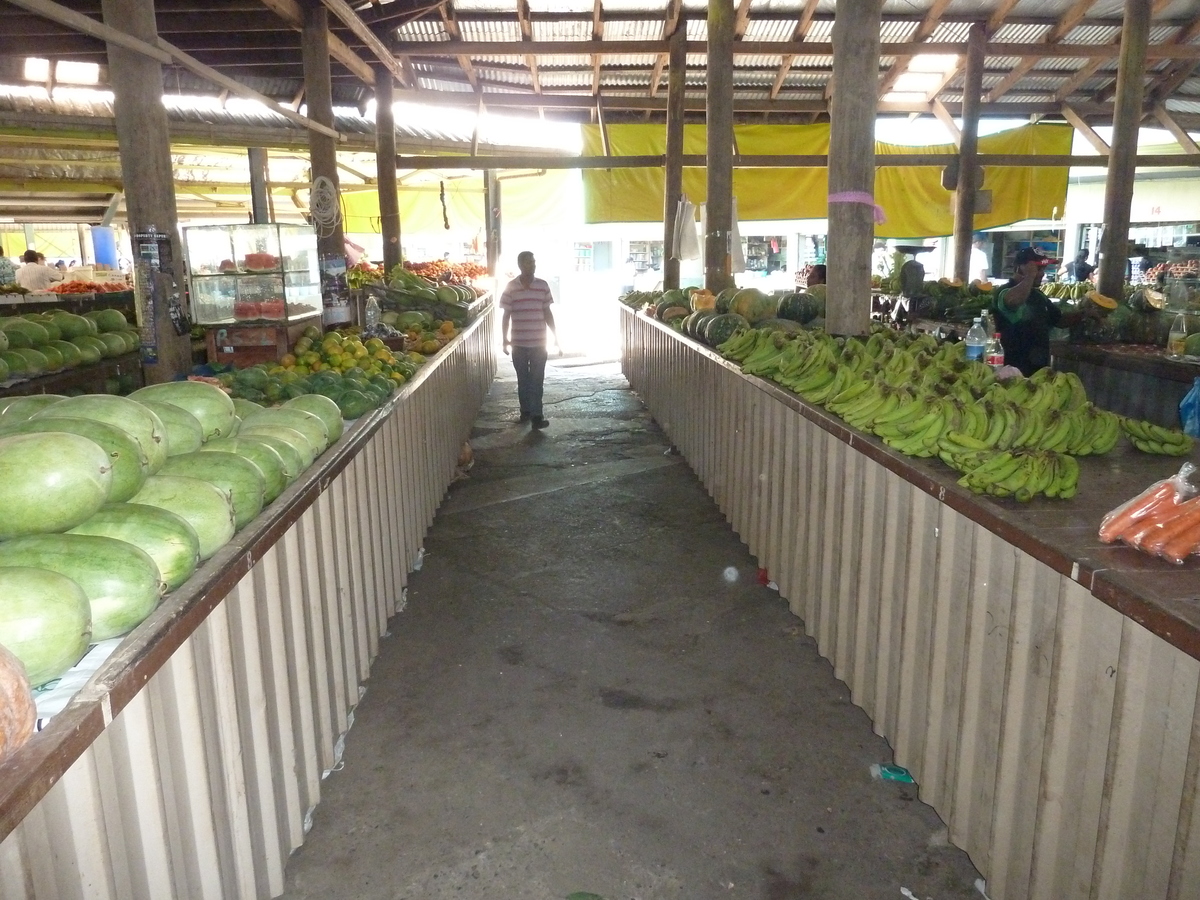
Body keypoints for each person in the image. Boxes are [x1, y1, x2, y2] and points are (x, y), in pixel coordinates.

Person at [993, 247, 1101, 376]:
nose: (1042, 273)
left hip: (1038, 370)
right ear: (1020, 268)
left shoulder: (1038, 296)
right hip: (1010, 371)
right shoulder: (1004, 292)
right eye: (1038, 269)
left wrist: (1084, 314)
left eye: (1043, 269)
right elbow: (1013, 301)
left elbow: (1059, 320)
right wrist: (1030, 276)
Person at [500, 250, 559, 428]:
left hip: (539, 343)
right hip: (518, 343)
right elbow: (506, 315)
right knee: (523, 379)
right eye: (528, 262)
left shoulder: (543, 286)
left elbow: (547, 312)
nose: (532, 265)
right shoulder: (511, 287)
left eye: (533, 262)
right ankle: (525, 410)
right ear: (520, 265)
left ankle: (536, 416)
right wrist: (504, 339)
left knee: (537, 379)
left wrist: (555, 335)